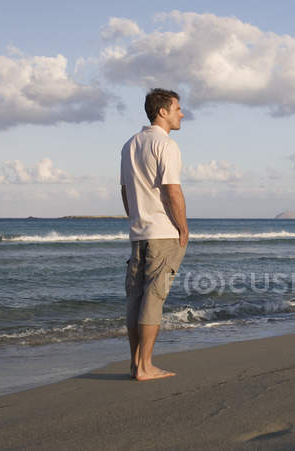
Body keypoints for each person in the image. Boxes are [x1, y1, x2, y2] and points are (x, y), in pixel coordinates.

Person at [120, 88, 188, 381]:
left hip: (139, 232)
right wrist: (183, 227)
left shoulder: (130, 145)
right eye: (177, 108)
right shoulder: (166, 145)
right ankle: (145, 366)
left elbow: (124, 191)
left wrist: (137, 216)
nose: (181, 113)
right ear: (162, 111)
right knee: (154, 297)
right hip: (162, 232)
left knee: (135, 298)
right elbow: (172, 190)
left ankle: (137, 363)